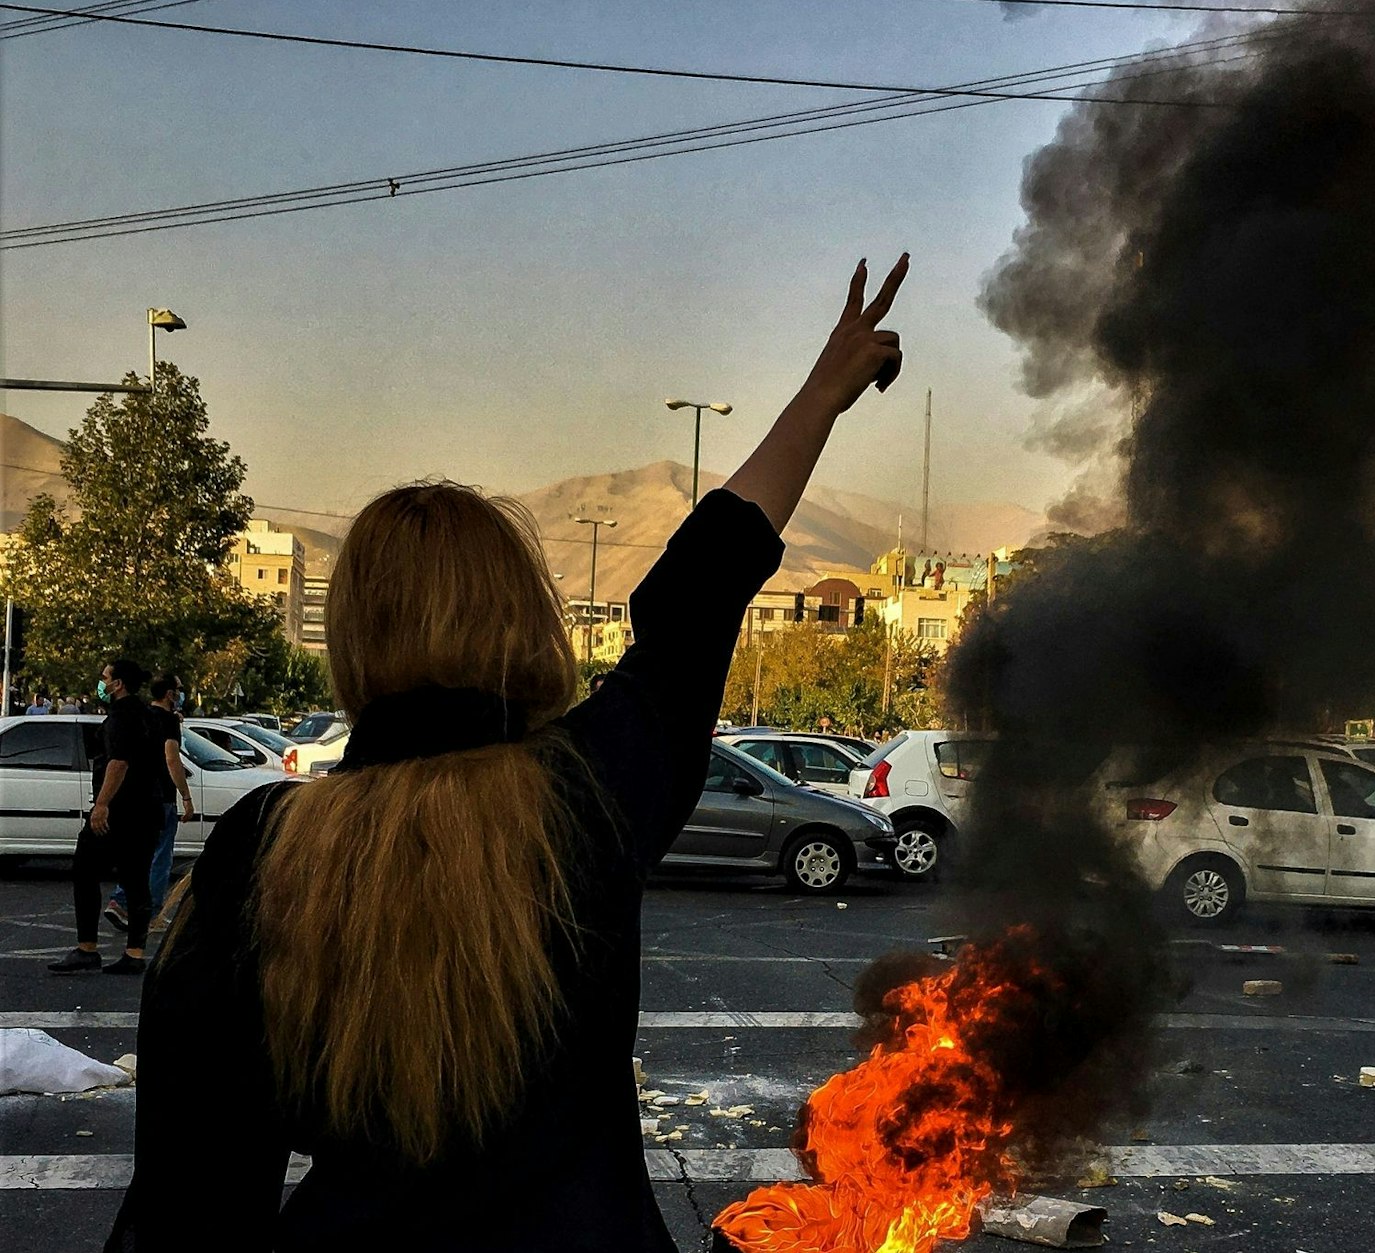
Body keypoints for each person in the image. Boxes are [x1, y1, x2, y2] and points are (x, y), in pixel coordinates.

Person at [106, 254, 908, 1251]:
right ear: (523, 616)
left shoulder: (261, 849)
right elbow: (696, 594)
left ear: (354, 637)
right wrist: (820, 397)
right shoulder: (587, 790)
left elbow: (189, 1201)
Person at [48, 658, 165, 975]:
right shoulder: (147, 715)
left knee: (85, 870)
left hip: (120, 812)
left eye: (105, 678)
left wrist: (101, 805)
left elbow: (119, 763)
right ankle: (134, 953)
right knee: (137, 880)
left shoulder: (120, 717)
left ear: (118, 684)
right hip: (146, 811)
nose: (101, 682)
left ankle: (87, 948)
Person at [103, 675, 195, 935]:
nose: (180, 694)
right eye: (178, 689)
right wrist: (185, 796)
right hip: (161, 797)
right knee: (160, 857)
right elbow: (171, 758)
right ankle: (150, 913)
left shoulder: (142, 715)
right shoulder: (168, 721)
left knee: (138, 854)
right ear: (169, 694)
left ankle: (121, 901)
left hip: (137, 794)